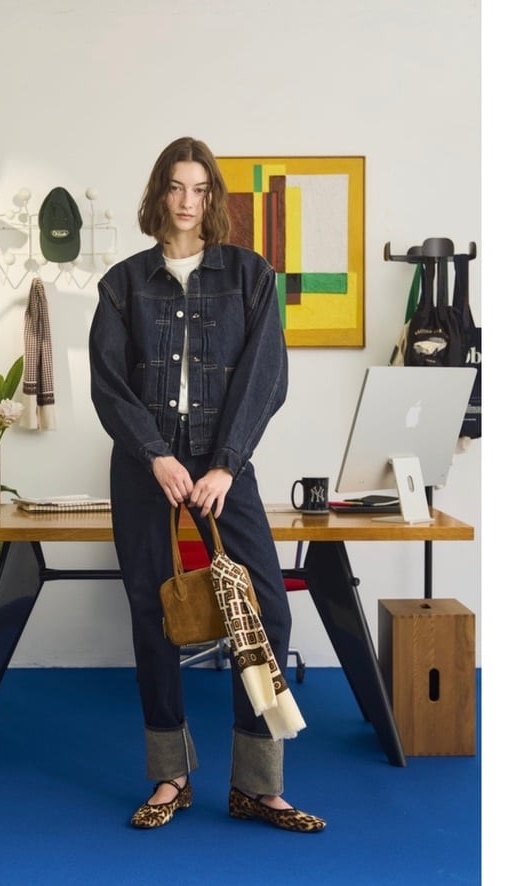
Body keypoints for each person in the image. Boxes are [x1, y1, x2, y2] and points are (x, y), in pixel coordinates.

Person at [88, 136, 325, 833]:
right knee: (154, 611)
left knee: (268, 610)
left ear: (213, 198)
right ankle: (171, 777)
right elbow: (108, 384)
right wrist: (155, 455)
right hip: (146, 470)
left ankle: (257, 785)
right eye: (176, 187)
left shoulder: (250, 276)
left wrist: (225, 462)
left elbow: (265, 376)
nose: (187, 202)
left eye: (200, 189)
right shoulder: (124, 283)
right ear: (158, 193)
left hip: (224, 465)